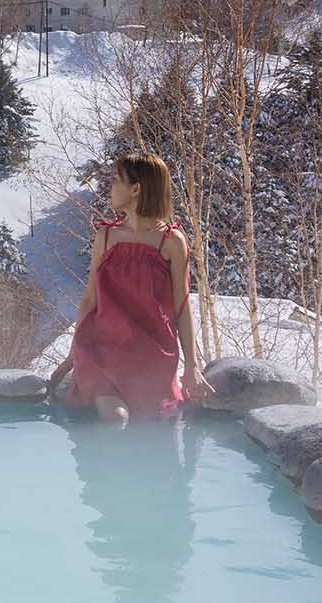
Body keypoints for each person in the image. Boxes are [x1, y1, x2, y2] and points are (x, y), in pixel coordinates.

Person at [47, 152, 210, 424]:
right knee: (116, 420)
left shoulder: (171, 242)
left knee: (152, 435)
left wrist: (192, 367)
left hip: (151, 358)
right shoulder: (106, 236)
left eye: (116, 180)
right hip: (102, 352)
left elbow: (182, 308)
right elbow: (89, 300)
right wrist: (71, 355)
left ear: (136, 189)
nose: (110, 186)